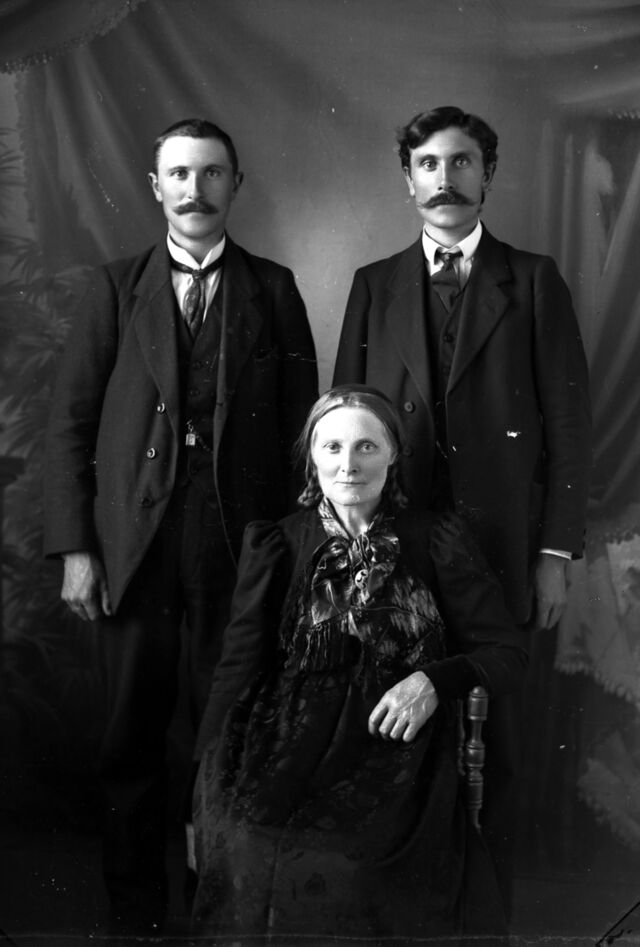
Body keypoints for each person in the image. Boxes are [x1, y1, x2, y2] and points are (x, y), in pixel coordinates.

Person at [43, 118, 318, 935]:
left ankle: (217, 907)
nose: (195, 190)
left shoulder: (274, 289)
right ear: (156, 186)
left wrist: (291, 558)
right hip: (134, 552)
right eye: (179, 174)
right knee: (129, 736)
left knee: (228, 732)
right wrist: (76, 548)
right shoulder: (114, 288)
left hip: (239, 553)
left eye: (212, 174)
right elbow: (69, 426)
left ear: (236, 185)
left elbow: (303, 435)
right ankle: (136, 916)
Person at [332, 107, 591, 907]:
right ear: (407, 180)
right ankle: (406, 907)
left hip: (501, 546)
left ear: (489, 174)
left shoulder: (534, 280)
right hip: (398, 541)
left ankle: (486, 911)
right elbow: (344, 419)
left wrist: (554, 554)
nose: (446, 179)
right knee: (395, 725)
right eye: (429, 164)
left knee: (497, 740)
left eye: (463, 162)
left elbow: (570, 426)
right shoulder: (373, 284)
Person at [191, 385, 528, 945]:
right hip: (284, 738)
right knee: (245, 842)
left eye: (367, 447)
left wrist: (431, 681)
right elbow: (237, 666)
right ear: (311, 457)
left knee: (356, 865)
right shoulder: (279, 543)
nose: (348, 464)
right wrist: (203, 785)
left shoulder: (435, 539)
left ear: (393, 453)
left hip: (395, 744)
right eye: (332, 447)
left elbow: (508, 654)